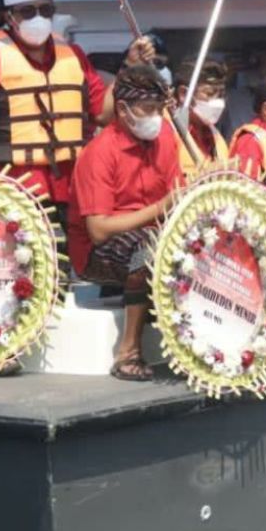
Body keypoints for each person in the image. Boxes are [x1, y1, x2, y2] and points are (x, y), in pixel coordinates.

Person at [0, 0, 154, 223]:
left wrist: (131, 67)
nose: (38, 18)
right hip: (14, 192)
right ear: (10, 17)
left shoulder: (74, 56)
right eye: (28, 11)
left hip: (74, 188)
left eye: (46, 10)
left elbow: (103, 114)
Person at [67, 65, 182, 381]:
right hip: (97, 252)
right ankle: (128, 351)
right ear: (122, 109)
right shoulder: (100, 152)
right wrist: (159, 209)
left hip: (155, 231)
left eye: (160, 109)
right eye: (148, 109)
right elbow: (99, 229)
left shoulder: (166, 138)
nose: (156, 117)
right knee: (147, 249)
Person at [168, 59, 230, 173]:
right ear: (183, 94)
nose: (218, 101)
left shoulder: (217, 139)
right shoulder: (166, 134)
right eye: (209, 94)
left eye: (221, 95)